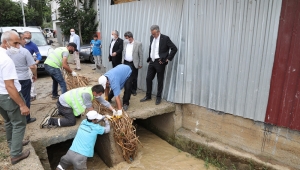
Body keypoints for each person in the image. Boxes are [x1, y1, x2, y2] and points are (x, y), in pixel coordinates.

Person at [0, 30, 31, 165]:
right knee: (19, 123)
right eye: (15, 43)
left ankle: (14, 143)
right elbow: (10, 86)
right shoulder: (6, 60)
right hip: (8, 96)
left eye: (19, 42)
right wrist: (22, 104)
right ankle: (16, 154)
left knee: (8, 121)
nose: (18, 46)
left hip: (0, 96)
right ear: (5, 42)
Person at [40, 85, 116, 128]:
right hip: (64, 103)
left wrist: (113, 110)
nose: (100, 96)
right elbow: (90, 109)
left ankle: (59, 111)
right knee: (72, 121)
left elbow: (104, 102)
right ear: (95, 92)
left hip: (66, 101)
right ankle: (50, 121)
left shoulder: (93, 91)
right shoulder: (87, 94)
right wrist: (100, 117)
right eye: (99, 94)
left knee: (78, 116)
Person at [140, 25, 178, 105]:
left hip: (160, 62)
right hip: (152, 61)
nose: (153, 36)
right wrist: (150, 58)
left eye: (154, 34)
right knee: (148, 78)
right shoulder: (151, 37)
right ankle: (148, 95)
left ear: (158, 32)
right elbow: (152, 48)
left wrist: (167, 59)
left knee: (159, 80)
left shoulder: (165, 38)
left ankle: (158, 97)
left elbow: (174, 48)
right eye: (152, 34)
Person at [7, 32, 38, 124]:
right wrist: (34, 75)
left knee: (14, 98)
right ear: (19, 40)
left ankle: (14, 118)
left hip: (11, 79)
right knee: (25, 98)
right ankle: (26, 118)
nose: (25, 41)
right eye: (23, 39)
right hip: (24, 79)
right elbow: (32, 66)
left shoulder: (6, 51)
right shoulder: (24, 51)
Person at [122, 31, 143, 96]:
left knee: (134, 77)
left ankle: (134, 90)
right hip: (125, 62)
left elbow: (141, 54)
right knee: (126, 76)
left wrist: (140, 63)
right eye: (125, 38)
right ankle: (128, 89)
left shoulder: (138, 44)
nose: (126, 39)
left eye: (127, 38)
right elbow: (124, 52)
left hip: (133, 63)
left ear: (131, 37)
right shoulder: (125, 42)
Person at [23, 31, 41, 102]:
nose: (27, 39)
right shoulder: (19, 44)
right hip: (20, 66)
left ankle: (32, 95)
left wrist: (35, 63)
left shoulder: (33, 45)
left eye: (29, 38)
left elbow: (39, 55)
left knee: (31, 80)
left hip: (29, 66)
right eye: (26, 37)